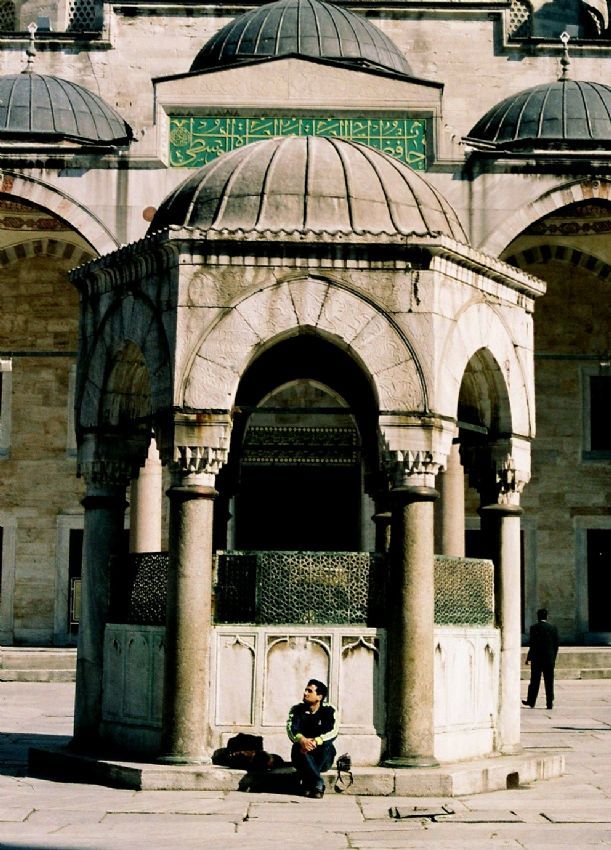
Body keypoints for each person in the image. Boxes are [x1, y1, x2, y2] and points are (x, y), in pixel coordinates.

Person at [286, 679, 339, 798]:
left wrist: (316, 741)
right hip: (301, 754)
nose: (305, 693)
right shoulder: (296, 710)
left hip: (323, 758)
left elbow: (333, 731)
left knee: (327, 746)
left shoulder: (329, 710)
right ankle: (317, 783)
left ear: (319, 696)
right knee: (300, 747)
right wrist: (301, 739)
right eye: (305, 690)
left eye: (309, 691)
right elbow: (291, 729)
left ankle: (307, 782)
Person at [523, 608, 559, 710]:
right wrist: (553, 658)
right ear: (547, 616)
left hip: (537, 659)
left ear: (538, 616)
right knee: (549, 681)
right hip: (549, 659)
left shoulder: (534, 628)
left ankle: (531, 701)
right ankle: (549, 703)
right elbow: (556, 645)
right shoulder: (553, 628)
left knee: (534, 681)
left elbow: (532, 644)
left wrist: (528, 658)